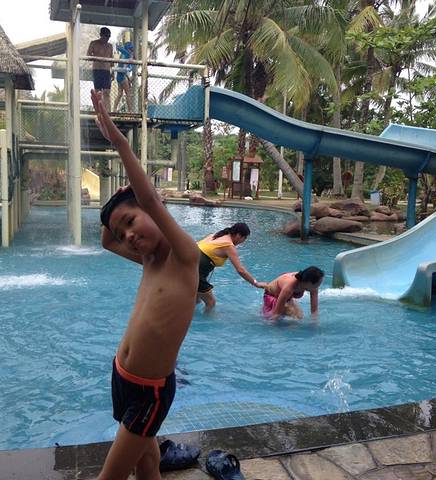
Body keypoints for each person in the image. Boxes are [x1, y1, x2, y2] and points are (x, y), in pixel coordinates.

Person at [91, 89, 199, 480]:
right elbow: (106, 240)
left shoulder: (182, 258)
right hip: (122, 375)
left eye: (132, 222)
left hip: (151, 392)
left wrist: (119, 142)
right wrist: (116, 210)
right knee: (147, 462)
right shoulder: (148, 261)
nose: (129, 236)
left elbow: (150, 200)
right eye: (124, 232)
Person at [196, 223, 262, 310]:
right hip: (196, 272)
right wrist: (255, 283)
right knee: (211, 303)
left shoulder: (216, 235)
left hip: (187, 264)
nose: (242, 242)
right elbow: (241, 270)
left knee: (196, 299)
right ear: (239, 235)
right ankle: (205, 318)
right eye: (244, 238)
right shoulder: (228, 246)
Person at [260, 266, 324, 321]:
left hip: (286, 296)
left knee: (299, 316)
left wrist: (315, 324)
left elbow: (314, 311)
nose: (318, 286)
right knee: (292, 319)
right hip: (272, 295)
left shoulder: (313, 286)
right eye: (318, 284)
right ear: (308, 282)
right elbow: (276, 314)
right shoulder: (289, 287)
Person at [88, 27, 113, 111]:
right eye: (105, 36)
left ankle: (108, 111)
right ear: (101, 35)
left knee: (107, 92)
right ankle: (98, 110)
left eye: (108, 37)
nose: (107, 39)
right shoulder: (94, 43)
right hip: (97, 70)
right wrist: (98, 58)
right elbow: (88, 55)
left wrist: (112, 71)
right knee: (98, 92)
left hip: (106, 71)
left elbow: (111, 59)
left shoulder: (110, 46)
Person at [113, 42, 135, 112]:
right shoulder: (127, 54)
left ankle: (114, 109)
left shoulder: (123, 55)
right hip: (122, 76)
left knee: (120, 94)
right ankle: (130, 111)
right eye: (130, 49)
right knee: (128, 93)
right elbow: (128, 68)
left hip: (119, 76)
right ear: (128, 49)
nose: (132, 50)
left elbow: (128, 67)